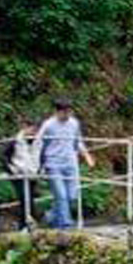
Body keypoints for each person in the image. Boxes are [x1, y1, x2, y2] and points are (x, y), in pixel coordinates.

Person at [35, 98, 93, 229]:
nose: (67, 115)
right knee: (61, 195)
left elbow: (78, 141)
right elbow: (38, 144)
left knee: (72, 196)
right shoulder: (48, 125)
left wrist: (87, 155)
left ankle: (50, 216)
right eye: (65, 112)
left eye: (69, 112)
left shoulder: (74, 123)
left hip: (70, 163)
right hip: (53, 163)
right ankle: (66, 226)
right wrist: (38, 164)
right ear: (57, 112)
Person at [6, 119, 41, 230]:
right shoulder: (15, 141)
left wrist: (40, 170)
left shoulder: (38, 141)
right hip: (18, 173)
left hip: (32, 173)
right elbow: (5, 156)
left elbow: (41, 156)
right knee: (24, 198)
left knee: (29, 198)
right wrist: (11, 170)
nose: (32, 131)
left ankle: (28, 223)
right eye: (29, 128)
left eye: (34, 129)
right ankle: (25, 224)